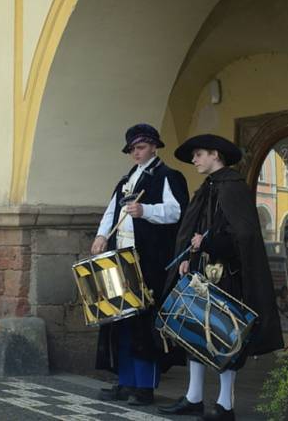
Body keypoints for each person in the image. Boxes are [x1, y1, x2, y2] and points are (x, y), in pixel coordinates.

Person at [159, 134, 284, 421]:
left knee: (225, 335)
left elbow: (244, 237)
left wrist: (208, 244)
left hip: (227, 275)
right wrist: (188, 259)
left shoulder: (234, 188)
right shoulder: (208, 188)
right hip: (201, 272)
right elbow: (195, 231)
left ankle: (225, 405)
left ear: (215, 154)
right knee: (195, 332)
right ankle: (193, 397)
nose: (194, 160)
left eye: (199, 154)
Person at [92, 124, 189, 406]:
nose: (137, 152)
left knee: (144, 325)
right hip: (121, 260)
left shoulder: (168, 176)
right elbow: (112, 211)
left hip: (148, 263)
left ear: (154, 146)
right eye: (133, 149)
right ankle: (125, 381)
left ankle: (145, 386)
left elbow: (177, 211)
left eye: (142, 147)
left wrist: (146, 210)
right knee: (120, 320)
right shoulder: (125, 180)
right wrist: (100, 236)